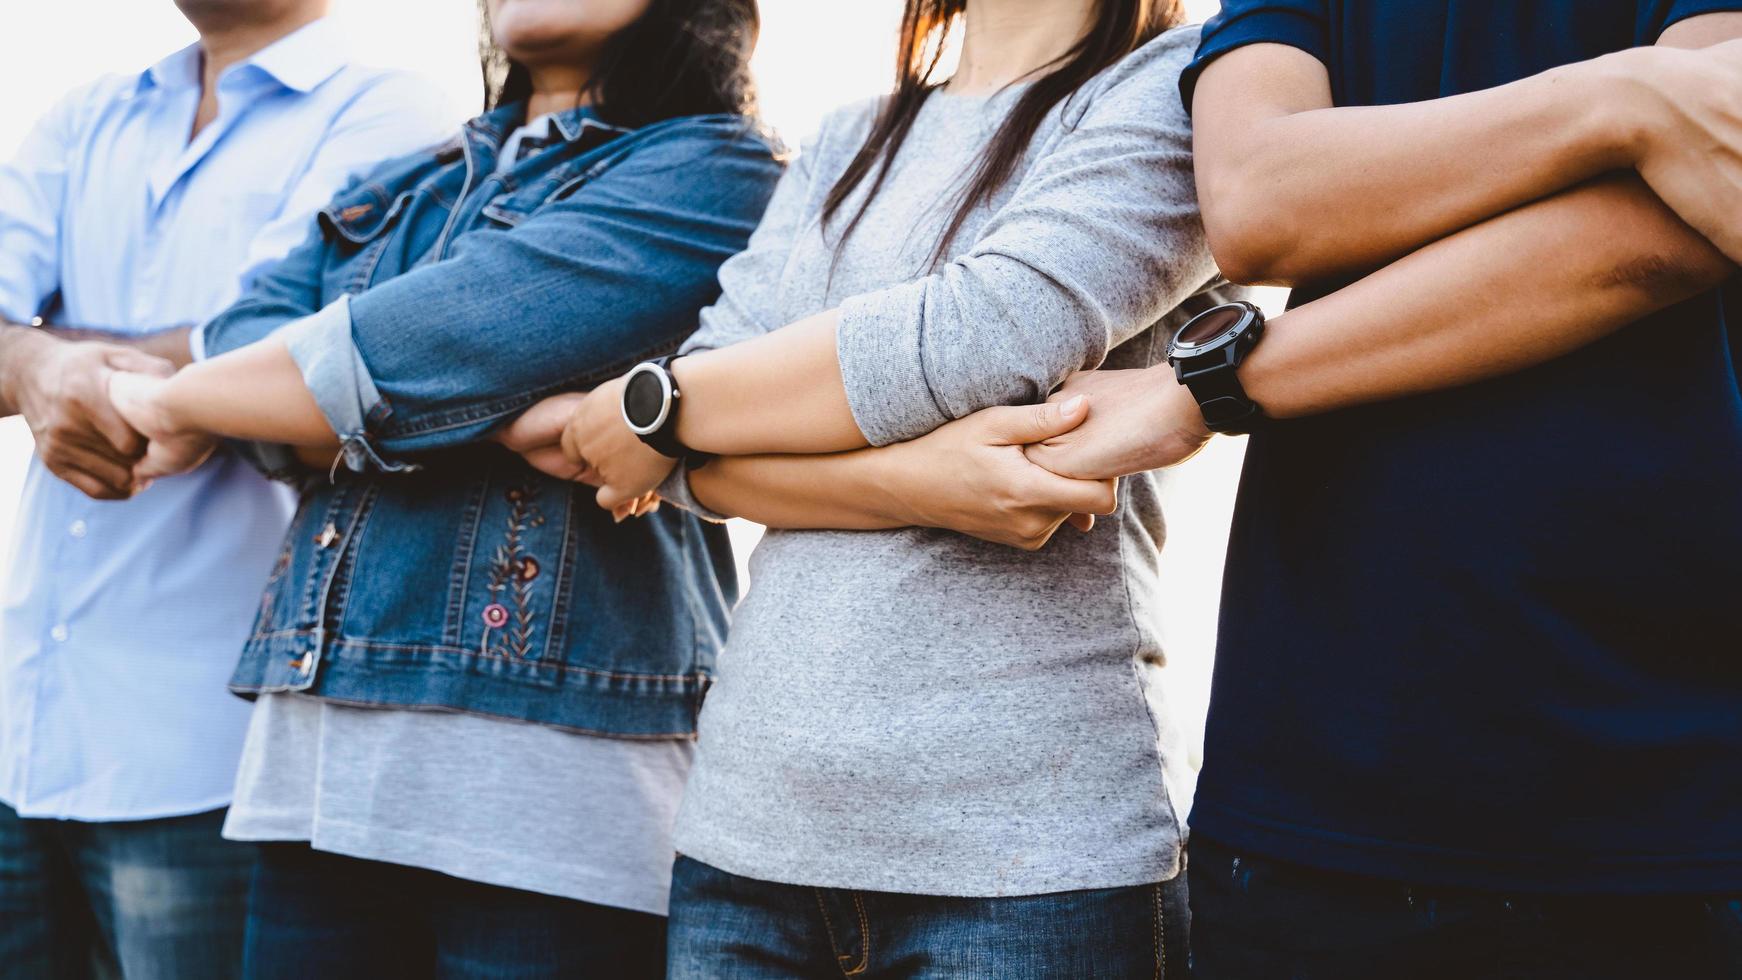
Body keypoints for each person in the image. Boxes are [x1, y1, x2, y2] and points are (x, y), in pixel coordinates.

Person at [1010, 3, 1742, 976]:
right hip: (1315, 784)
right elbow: (1260, 203)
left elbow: (1679, 222)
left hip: (1661, 792)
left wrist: (1209, 388)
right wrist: (1621, 99)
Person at [504, 0, 1233, 973]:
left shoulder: (1180, 80)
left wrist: (664, 403)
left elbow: (990, 331)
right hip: (745, 835)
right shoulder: (850, 132)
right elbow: (680, 457)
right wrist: (918, 479)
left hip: (1028, 856)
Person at [99, 0, 779, 975]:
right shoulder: (407, 176)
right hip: (310, 778)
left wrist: (178, 401)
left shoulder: (716, 170)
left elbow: (405, 349)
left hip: (548, 801)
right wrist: (512, 414)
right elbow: (252, 338)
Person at [0, 1, 450, 975]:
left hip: (212, 754)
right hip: (23, 731)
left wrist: (40, 348)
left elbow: (270, 350)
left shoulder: (388, 113)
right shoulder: (88, 114)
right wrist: (36, 365)